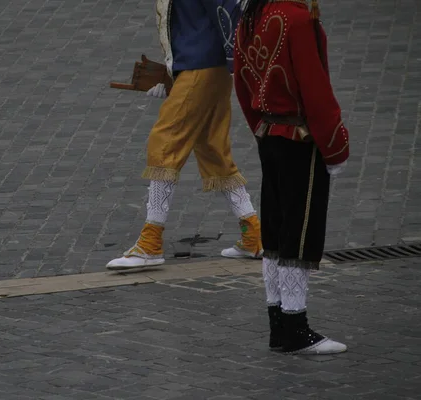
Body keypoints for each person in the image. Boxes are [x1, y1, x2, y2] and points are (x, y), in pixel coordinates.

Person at [106, 0, 263, 271]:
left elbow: (226, 15)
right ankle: (254, 234)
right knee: (213, 150)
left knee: (164, 141)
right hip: (203, 67)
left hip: (201, 67)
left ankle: (150, 242)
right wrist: (173, 76)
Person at [233, 0, 349, 354]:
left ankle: (278, 326)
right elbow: (315, 88)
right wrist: (335, 145)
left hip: (269, 134)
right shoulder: (298, 18)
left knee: (276, 229)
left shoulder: (252, 15)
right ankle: (296, 326)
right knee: (299, 232)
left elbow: (241, 81)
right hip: (299, 140)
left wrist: (261, 128)